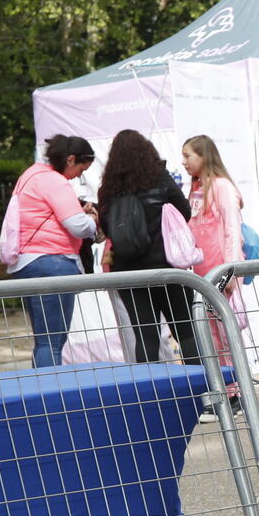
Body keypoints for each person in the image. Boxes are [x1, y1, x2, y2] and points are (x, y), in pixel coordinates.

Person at [97, 129, 200, 366]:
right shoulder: (159, 178)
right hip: (167, 268)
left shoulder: (108, 188)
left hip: (129, 273)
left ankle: (151, 397)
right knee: (185, 332)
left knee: (145, 336)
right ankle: (202, 392)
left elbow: (108, 228)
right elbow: (184, 211)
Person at [8, 134, 98, 367]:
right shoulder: (54, 181)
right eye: (81, 169)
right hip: (53, 263)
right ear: (70, 159)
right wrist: (92, 221)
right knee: (53, 341)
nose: (79, 176)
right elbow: (77, 226)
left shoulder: (31, 174)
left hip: (27, 262)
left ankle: (41, 393)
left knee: (43, 339)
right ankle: (53, 398)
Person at [182, 134, 244, 420]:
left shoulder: (221, 187)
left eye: (188, 156)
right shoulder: (195, 188)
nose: (184, 163)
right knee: (210, 334)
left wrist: (231, 271)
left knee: (224, 334)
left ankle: (235, 393)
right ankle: (222, 390)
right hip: (200, 273)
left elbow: (233, 230)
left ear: (203, 157)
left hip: (220, 271)